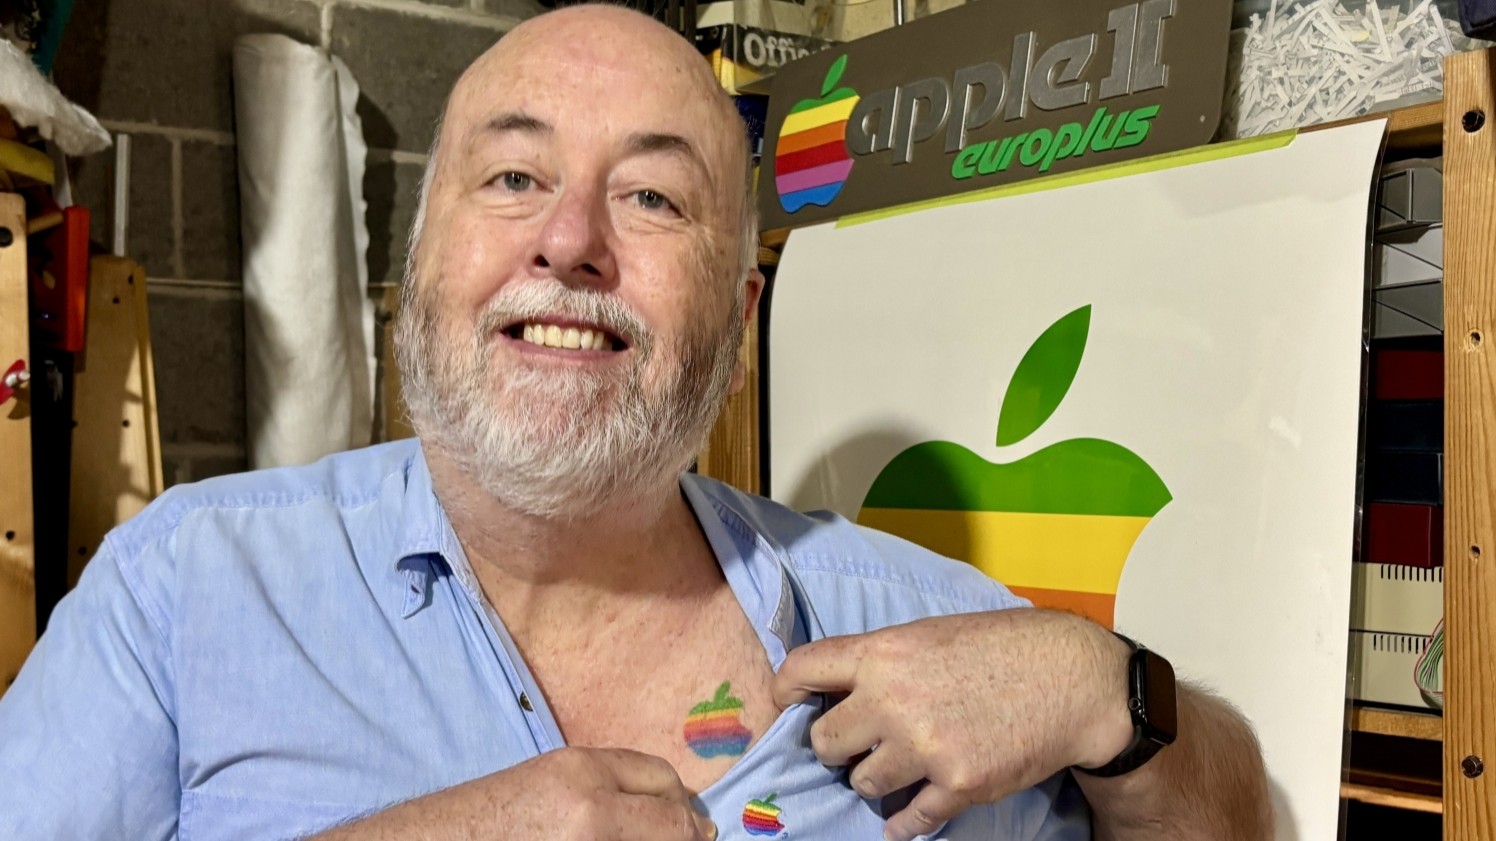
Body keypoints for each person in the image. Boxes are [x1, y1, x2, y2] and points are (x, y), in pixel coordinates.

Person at [0, 5, 1272, 840]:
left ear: (735, 324)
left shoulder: (919, 618)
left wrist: (1113, 695)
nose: (570, 241)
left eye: (655, 197)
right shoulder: (187, 585)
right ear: (413, 269)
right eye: (513, 177)